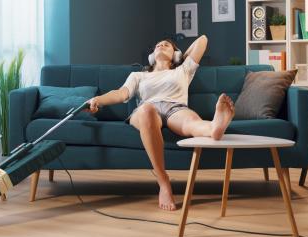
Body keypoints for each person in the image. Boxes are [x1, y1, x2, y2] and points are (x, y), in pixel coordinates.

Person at [85, 35, 235, 211]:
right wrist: (98, 100)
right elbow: (121, 94)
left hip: (176, 108)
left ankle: (214, 128)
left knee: (191, 122)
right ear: (151, 56)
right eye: (158, 45)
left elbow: (203, 40)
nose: (161, 46)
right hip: (146, 110)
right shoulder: (138, 75)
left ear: (176, 55)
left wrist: (182, 58)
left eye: (167, 45)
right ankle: (163, 182)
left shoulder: (183, 70)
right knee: (147, 110)